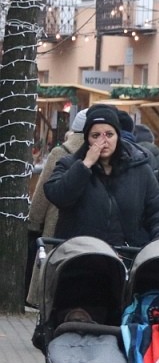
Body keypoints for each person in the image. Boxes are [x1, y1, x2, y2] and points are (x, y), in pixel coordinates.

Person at [44, 104, 159, 247]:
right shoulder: (70, 164)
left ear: (118, 137)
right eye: (95, 135)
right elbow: (57, 195)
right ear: (87, 139)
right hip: (80, 257)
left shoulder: (139, 168)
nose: (103, 141)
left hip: (127, 257)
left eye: (109, 134)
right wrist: (85, 165)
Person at [26, 110, 86, 308]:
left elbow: (43, 192)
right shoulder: (104, 154)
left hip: (56, 224)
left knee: (50, 273)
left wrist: (34, 221)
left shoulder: (60, 153)